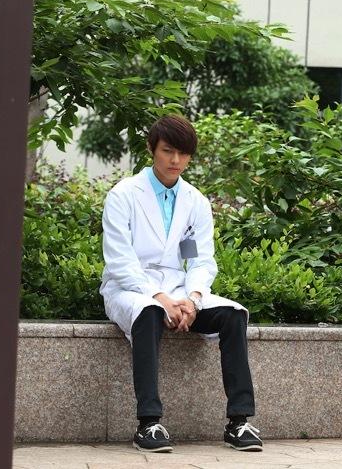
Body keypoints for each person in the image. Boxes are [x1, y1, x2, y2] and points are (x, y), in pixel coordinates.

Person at [99, 114, 263, 453]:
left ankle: (239, 421)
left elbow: (199, 260)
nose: (176, 160)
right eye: (168, 151)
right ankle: (148, 424)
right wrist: (159, 297)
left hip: (179, 291)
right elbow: (119, 260)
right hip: (129, 289)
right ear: (151, 149)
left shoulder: (195, 201)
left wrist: (193, 298)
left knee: (234, 315)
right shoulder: (123, 195)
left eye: (183, 153)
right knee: (148, 311)